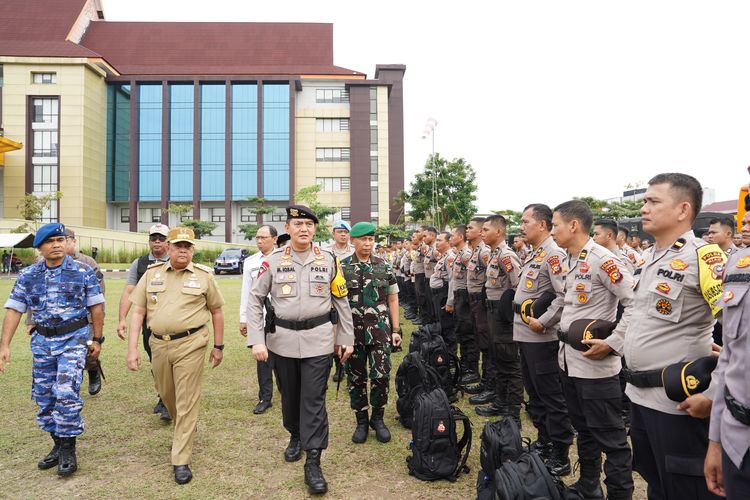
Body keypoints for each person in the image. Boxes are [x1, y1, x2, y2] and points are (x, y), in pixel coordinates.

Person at [621, 173, 725, 499]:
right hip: (638, 395)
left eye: (653, 201)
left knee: (685, 488)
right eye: (644, 201)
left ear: (682, 210)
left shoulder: (705, 257)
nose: (644, 208)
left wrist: (715, 394)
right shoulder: (649, 257)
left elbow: (740, 332)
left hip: (678, 401)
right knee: (656, 482)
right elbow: (635, 318)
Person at [246, 205, 354, 495]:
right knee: (290, 397)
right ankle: (294, 434)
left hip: (318, 341)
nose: (303, 228)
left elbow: (341, 302)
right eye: (298, 224)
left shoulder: (329, 260)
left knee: (314, 400)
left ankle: (314, 460)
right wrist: (257, 339)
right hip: (281, 341)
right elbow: (255, 299)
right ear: (288, 228)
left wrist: (346, 337)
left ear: (314, 229)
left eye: (308, 224)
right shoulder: (273, 260)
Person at [0, 223, 104, 477]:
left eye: (60, 239)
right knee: (44, 396)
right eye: (50, 241)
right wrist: (4, 345)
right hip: (43, 344)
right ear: (40, 247)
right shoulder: (28, 276)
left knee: (66, 392)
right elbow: (15, 309)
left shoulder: (82, 271)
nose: (57, 244)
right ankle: (57, 444)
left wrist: (98, 339)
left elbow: (96, 307)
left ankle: (69, 449)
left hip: (73, 340)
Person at [126, 226, 225, 485]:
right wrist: (133, 348)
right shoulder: (151, 274)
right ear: (168, 248)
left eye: (188, 246)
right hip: (158, 345)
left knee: (186, 401)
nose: (183, 250)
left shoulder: (204, 276)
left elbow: (216, 311)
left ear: (193, 250)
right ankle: (185, 427)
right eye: (178, 245)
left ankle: (180, 458)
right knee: (167, 395)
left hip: (191, 343)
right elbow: (137, 312)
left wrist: (218, 345)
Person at [550, 201, 634, 500]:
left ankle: (619, 494)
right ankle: (588, 486)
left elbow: (634, 303)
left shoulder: (603, 259)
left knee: (611, 439)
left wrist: (613, 344)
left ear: (573, 225)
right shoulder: (569, 259)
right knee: (584, 430)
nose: (552, 231)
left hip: (596, 368)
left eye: (555, 225)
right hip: (569, 362)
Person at [515, 204, 574, 476]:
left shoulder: (553, 255)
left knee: (551, 397)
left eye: (526, 221)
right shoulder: (535, 253)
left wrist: (545, 321)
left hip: (542, 338)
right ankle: (544, 441)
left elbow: (564, 295)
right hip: (526, 335)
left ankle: (560, 453)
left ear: (542, 225)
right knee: (535, 395)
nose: (521, 225)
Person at [341, 221, 401, 444]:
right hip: (352, 335)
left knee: (381, 377)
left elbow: (393, 298)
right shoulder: (342, 267)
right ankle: (361, 421)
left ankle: (378, 418)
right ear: (353, 241)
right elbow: (337, 303)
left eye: (371, 239)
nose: (368, 243)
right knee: (356, 378)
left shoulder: (384, 266)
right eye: (363, 239)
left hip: (380, 332)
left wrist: (396, 329)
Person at [704, 210, 750, 498]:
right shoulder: (739, 264)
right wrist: (715, 441)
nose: (746, 227)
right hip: (739, 439)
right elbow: (730, 356)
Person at [117, 223, 171, 421]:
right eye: (153, 238)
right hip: (149, 322)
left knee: (169, 361)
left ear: (168, 241)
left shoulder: (176, 260)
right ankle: (163, 395)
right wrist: (122, 318)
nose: (157, 242)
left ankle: (168, 401)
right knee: (156, 361)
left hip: (173, 322)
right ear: (149, 241)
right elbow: (129, 291)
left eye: (161, 238)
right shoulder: (139, 264)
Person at [475, 215, 523, 421]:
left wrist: (508, 314)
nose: (482, 233)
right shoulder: (495, 255)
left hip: (504, 316)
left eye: (486, 230)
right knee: (498, 359)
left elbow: (518, 288)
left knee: (509, 362)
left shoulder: (506, 256)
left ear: (499, 232)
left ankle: (512, 411)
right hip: (493, 312)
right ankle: (500, 401)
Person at [239, 225, 278, 414]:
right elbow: (247, 292)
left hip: (282, 318)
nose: (260, 241)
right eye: (257, 238)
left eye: (264, 237)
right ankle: (265, 397)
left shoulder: (284, 258)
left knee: (283, 360)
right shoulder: (251, 262)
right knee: (263, 360)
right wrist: (243, 318)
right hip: (260, 318)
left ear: (275, 239)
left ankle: (288, 393)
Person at [64, 229, 106, 396]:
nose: (61, 243)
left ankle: (94, 370)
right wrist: (31, 320)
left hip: (86, 318)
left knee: (87, 352)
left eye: (66, 240)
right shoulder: (47, 262)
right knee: (69, 355)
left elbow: (98, 294)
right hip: (61, 320)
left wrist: (97, 317)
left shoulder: (88, 262)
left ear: (74, 242)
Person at [446, 224, 479, 384]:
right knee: (461, 332)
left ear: (460, 237)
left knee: (468, 334)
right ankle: (465, 365)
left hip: (466, 296)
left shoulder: (466, 254)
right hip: (459, 296)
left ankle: (471, 368)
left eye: (452, 235)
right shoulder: (460, 254)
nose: (450, 238)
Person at [326, 221, 353, 384]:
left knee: (351, 333)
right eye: (339, 232)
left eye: (345, 232)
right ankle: (339, 367)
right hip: (333, 300)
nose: (343, 235)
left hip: (352, 298)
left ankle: (352, 369)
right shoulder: (326, 252)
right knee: (335, 334)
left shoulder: (355, 251)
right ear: (334, 234)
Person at [429, 231, 457, 354]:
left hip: (444, 295)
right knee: (441, 326)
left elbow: (452, 280)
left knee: (447, 328)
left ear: (448, 242)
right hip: (438, 295)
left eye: (440, 240)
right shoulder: (443, 256)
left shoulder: (450, 257)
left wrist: (450, 302)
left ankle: (450, 357)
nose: (437, 243)